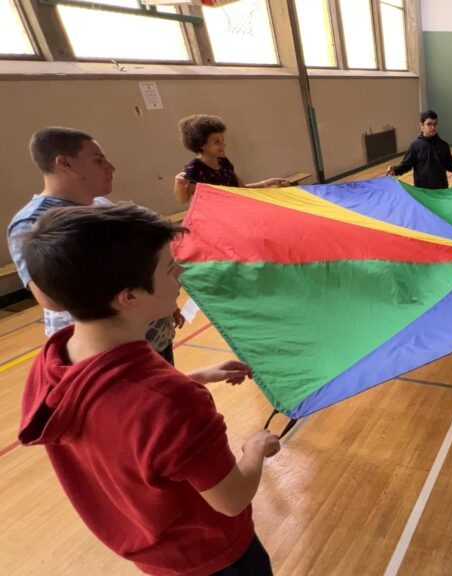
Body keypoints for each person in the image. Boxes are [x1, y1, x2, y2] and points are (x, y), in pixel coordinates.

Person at [16, 203, 280, 576]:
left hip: (156, 558)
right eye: (170, 268)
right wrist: (255, 449)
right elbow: (232, 500)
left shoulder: (54, 358)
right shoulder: (170, 402)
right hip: (215, 557)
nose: (180, 273)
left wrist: (195, 377)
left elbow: (118, 419)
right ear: (130, 297)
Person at [9, 127, 179, 364]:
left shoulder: (101, 205)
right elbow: (53, 299)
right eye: (98, 160)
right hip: (107, 352)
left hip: (146, 337)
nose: (110, 167)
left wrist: (161, 299)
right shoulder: (34, 222)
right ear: (65, 164)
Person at [173, 114, 291, 203]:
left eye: (223, 140)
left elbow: (241, 189)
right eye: (217, 142)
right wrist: (179, 183)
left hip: (235, 209)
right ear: (201, 144)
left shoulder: (224, 162)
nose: (223, 145)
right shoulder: (194, 168)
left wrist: (269, 183)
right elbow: (183, 199)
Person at [386, 110, 452, 189]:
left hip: (441, 189)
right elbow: (406, 165)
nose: (433, 127)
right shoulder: (415, 146)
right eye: (429, 124)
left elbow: (451, 166)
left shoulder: (443, 145)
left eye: (435, 124)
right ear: (421, 125)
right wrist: (395, 170)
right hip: (422, 191)